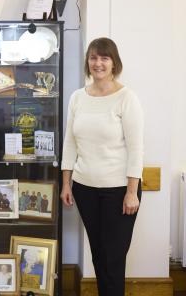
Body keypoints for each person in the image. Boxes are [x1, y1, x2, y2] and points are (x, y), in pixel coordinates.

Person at [60, 37, 143, 296]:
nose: (98, 63)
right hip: (85, 189)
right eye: (93, 57)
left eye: (104, 58)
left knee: (113, 258)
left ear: (114, 62)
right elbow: (70, 143)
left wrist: (132, 191)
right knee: (98, 254)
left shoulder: (126, 98)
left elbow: (136, 148)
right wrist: (66, 183)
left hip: (119, 191)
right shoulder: (77, 98)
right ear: (88, 62)